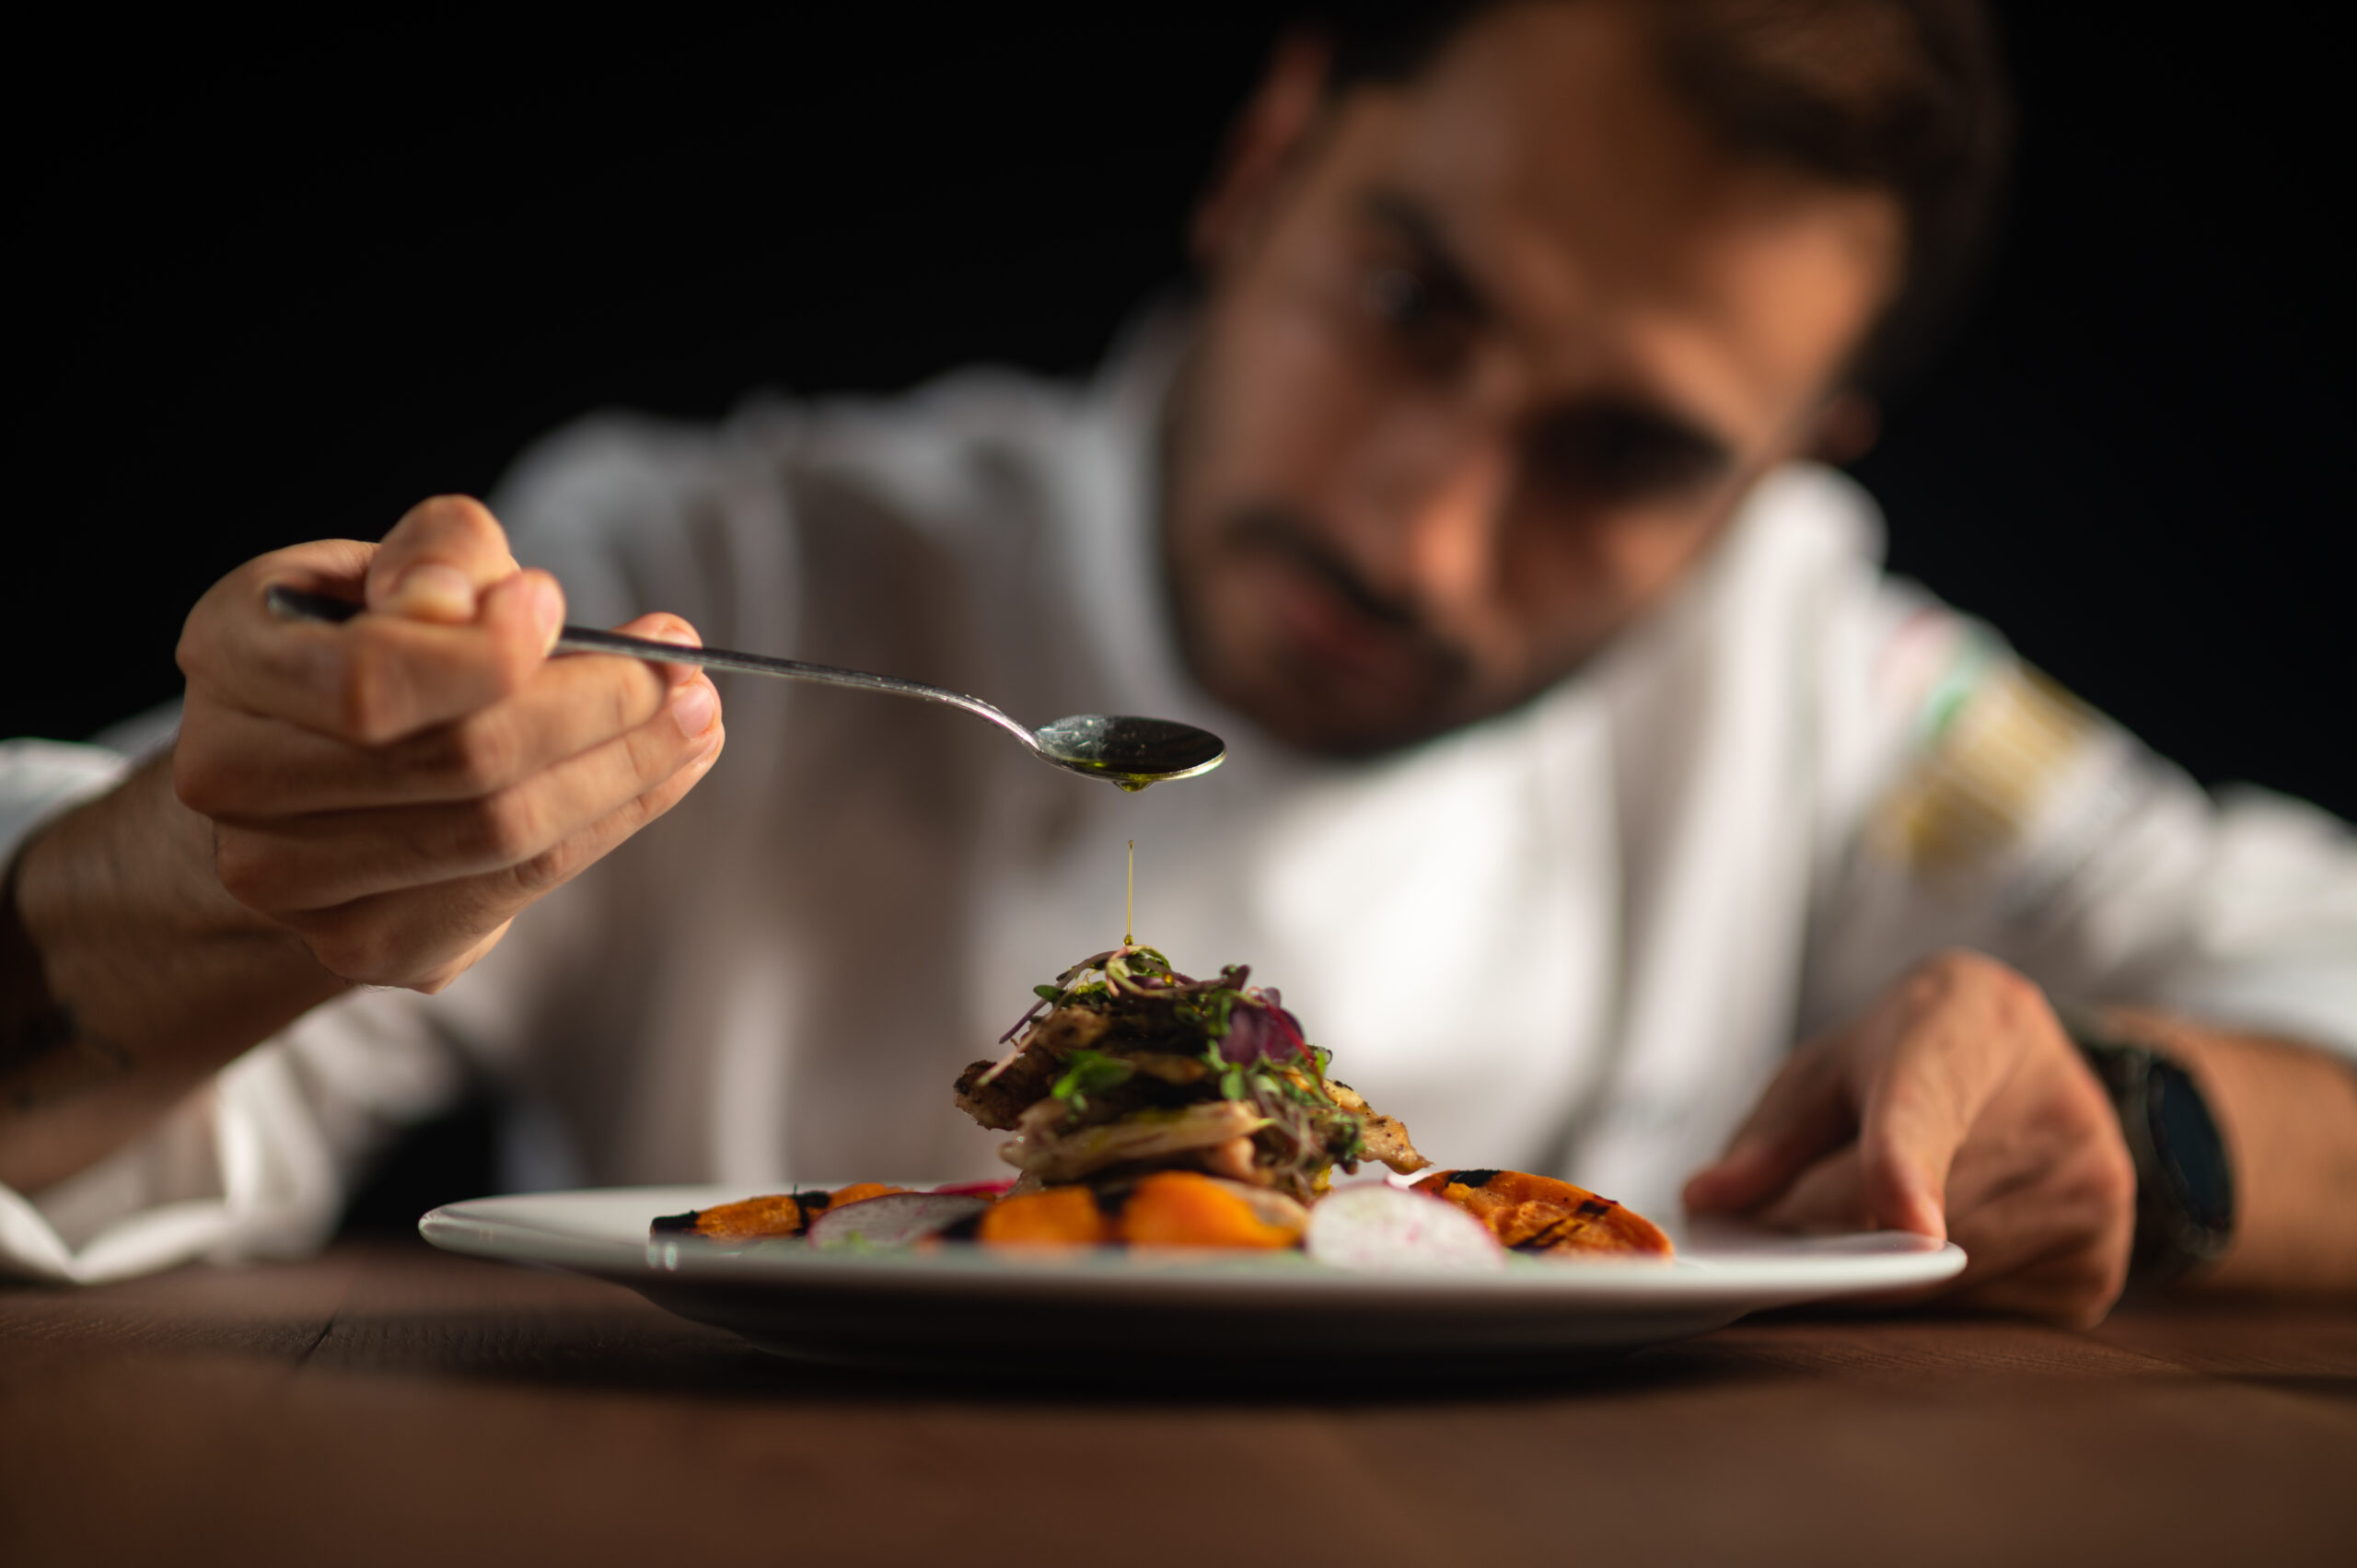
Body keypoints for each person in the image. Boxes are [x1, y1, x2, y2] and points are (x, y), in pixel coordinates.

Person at [2, 0, 2351, 1320]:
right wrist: (218, 872)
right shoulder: (717, 558)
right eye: (1408, 299)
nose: (1417, 521)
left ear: (1773, 478)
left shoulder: (1840, 699)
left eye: (1629, 452)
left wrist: (2146, 1125)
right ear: (1264, 162)